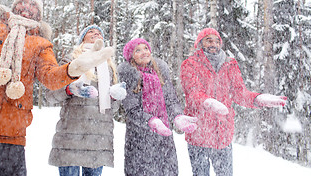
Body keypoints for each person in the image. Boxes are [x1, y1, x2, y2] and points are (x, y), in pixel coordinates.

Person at [0, 0, 113, 176]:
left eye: (33, 5)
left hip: (7, 132)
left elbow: (50, 77)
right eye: (23, 2)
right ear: (14, 5)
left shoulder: (41, 44)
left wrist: (73, 68)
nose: (27, 7)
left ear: (39, 14)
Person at [180, 27, 287, 176]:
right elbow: (193, 93)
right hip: (199, 135)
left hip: (223, 135)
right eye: (208, 40)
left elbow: (239, 93)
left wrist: (257, 98)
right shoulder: (190, 64)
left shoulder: (230, 64)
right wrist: (208, 102)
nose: (213, 44)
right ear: (200, 43)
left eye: (217, 41)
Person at [46, 25, 127, 176]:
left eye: (99, 33)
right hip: (71, 138)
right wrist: (71, 89)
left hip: (98, 140)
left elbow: (111, 109)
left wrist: (115, 97)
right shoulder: (71, 60)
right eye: (91, 32)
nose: (96, 34)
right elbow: (50, 94)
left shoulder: (109, 66)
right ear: (82, 38)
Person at [117, 38, 198, 176]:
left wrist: (177, 116)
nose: (144, 52)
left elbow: (171, 100)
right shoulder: (128, 76)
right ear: (131, 56)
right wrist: (152, 121)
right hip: (139, 140)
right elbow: (131, 110)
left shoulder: (160, 73)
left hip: (164, 138)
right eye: (138, 50)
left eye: (145, 48)